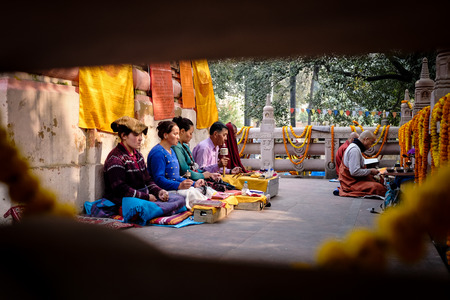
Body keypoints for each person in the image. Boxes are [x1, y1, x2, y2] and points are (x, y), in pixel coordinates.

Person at [103, 116, 186, 224]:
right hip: (124, 201)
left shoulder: (138, 156)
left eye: (141, 134)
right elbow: (120, 189)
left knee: (179, 199)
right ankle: (154, 210)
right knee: (140, 208)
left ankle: (156, 209)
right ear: (123, 136)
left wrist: (158, 191)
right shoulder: (116, 158)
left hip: (143, 197)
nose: (141, 138)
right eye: (136, 135)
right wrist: (146, 197)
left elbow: (148, 180)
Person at [147, 120, 206, 192]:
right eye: (175, 134)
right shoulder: (158, 153)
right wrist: (179, 185)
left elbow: (176, 177)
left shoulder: (171, 151)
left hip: (174, 189)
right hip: (164, 191)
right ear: (165, 135)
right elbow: (159, 180)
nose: (178, 137)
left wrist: (194, 184)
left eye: (178, 134)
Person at [338, 130, 387, 197]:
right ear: (366, 139)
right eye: (371, 142)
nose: (371, 146)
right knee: (378, 187)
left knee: (377, 180)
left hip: (355, 181)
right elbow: (354, 172)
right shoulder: (354, 150)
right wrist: (370, 171)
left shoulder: (356, 147)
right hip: (350, 184)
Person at [171, 116, 221, 181]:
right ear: (182, 131)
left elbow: (194, 167)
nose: (191, 137)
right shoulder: (176, 147)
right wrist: (203, 175)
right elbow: (184, 171)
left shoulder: (185, 146)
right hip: (186, 180)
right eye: (190, 133)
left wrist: (208, 174)